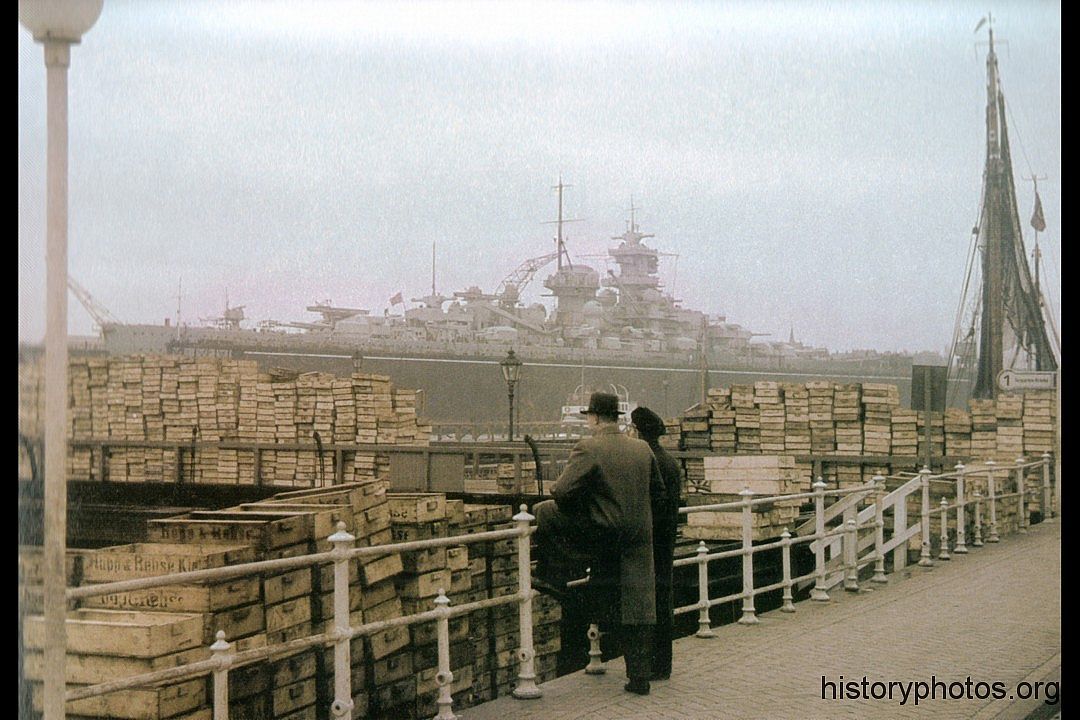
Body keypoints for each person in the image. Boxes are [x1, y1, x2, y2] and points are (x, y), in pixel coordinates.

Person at [533, 391, 669, 695]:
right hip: (638, 537)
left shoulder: (588, 447)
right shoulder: (642, 449)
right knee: (639, 606)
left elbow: (562, 492)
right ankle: (639, 678)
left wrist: (594, 503)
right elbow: (659, 495)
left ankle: (554, 573)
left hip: (604, 534)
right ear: (617, 418)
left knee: (544, 511)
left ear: (593, 417)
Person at [630, 405, 682, 681]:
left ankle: (646, 664)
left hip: (647, 542)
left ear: (639, 432)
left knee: (644, 604)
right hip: (667, 541)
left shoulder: (646, 461)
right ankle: (663, 663)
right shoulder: (670, 463)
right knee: (664, 600)